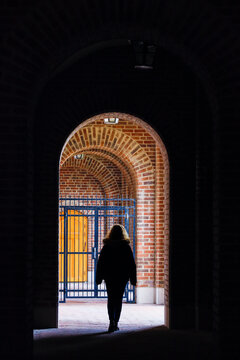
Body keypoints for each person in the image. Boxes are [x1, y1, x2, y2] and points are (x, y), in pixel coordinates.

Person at [96, 224, 137, 332]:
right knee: (118, 299)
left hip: (109, 276)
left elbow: (101, 263)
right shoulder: (126, 247)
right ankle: (116, 322)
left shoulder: (107, 246)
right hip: (122, 276)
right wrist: (133, 278)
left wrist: (99, 277)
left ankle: (111, 321)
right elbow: (131, 264)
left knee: (111, 298)